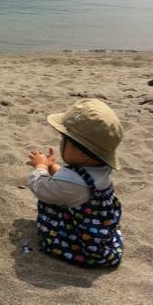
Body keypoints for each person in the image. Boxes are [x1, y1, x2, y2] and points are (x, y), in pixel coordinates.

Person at [26, 98, 123, 267]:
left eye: (64, 139)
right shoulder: (101, 172)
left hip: (79, 243)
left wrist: (40, 166)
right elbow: (72, 184)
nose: (60, 142)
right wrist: (53, 167)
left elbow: (43, 189)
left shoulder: (74, 185)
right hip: (98, 233)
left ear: (83, 153)